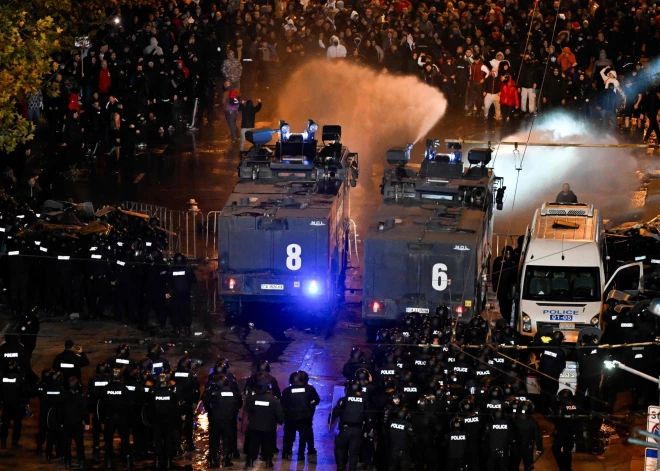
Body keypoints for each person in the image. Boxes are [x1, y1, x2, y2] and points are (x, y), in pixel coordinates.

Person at [244, 374, 285, 468]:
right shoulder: (273, 400)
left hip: (254, 427)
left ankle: (250, 461)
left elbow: (247, 410)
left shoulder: (252, 399)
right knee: (268, 445)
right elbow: (279, 413)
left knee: (253, 445)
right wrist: (280, 421)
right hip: (269, 427)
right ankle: (268, 461)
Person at [330, 380, 371, 471]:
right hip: (357, 431)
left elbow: (335, 413)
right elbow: (368, 416)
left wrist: (330, 420)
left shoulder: (344, 400)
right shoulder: (364, 401)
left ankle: (341, 467)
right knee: (354, 452)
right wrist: (368, 429)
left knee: (340, 449)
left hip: (345, 429)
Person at [202, 375, 242, 468]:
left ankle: (213, 458)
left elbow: (205, 400)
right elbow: (239, 404)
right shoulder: (233, 393)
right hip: (228, 420)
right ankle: (226, 459)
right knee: (227, 440)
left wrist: (210, 411)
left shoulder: (213, 393)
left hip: (215, 420)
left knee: (214, 440)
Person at [281, 371, 320, 460]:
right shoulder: (310, 389)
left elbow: (282, 405)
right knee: (304, 436)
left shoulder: (286, 391)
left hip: (290, 418)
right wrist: (311, 404)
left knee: (288, 436)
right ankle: (301, 454)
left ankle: (286, 452)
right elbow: (316, 400)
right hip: (305, 418)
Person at [99, 368, 132, 468]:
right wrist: (129, 419)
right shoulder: (124, 389)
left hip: (109, 419)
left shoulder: (105, 389)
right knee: (125, 440)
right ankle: (128, 460)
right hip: (122, 419)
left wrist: (102, 418)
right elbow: (129, 405)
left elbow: (101, 405)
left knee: (108, 441)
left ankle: (108, 461)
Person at [148, 373, 179, 469]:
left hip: (156, 422)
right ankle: (168, 462)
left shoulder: (153, 393)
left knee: (157, 441)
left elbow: (149, 408)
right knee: (168, 441)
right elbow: (176, 410)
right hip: (168, 422)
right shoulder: (172, 394)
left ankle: (157, 462)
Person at [59, 377, 89, 469]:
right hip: (77, 425)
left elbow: (60, 411)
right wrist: (87, 422)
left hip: (66, 424)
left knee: (67, 444)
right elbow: (85, 411)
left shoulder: (64, 397)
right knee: (79, 444)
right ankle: (81, 461)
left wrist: (60, 422)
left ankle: (68, 461)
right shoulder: (81, 398)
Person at [173, 357, 200, 453]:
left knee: (176, 425)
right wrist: (195, 402)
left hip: (175, 403)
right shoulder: (192, 375)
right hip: (188, 403)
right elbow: (196, 390)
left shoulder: (173, 373)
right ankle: (189, 444)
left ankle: (177, 446)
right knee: (188, 424)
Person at [0, 360, 30, 449]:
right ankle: (14, 442)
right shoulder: (21, 380)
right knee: (17, 424)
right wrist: (26, 404)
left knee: (5, 424)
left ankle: (3, 442)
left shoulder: (2, 379)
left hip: (6, 405)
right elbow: (25, 393)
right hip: (17, 406)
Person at [169, 253, 197, 336]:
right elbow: (194, 280)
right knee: (186, 311)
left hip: (175, 294)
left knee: (175, 311)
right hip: (185, 294)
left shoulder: (171, 270)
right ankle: (187, 329)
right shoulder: (188, 269)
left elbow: (168, 281)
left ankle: (176, 329)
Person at [552, 389, 578, 471]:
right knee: (567, 451)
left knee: (556, 449)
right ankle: (568, 468)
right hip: (571, 431)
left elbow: (556, 419)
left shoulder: (560, 407)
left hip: (561, 431)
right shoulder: (575, 405)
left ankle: (563, 467)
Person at [491, 246, 516, 324]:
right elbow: (494, 274)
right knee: (502, 304)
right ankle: (505, 318)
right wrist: (495, 285)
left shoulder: (514, 261)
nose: (508, 255)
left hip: (511, 288)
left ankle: (507, 319)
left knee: (509, 305)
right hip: (502, 288)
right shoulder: (498, 261)